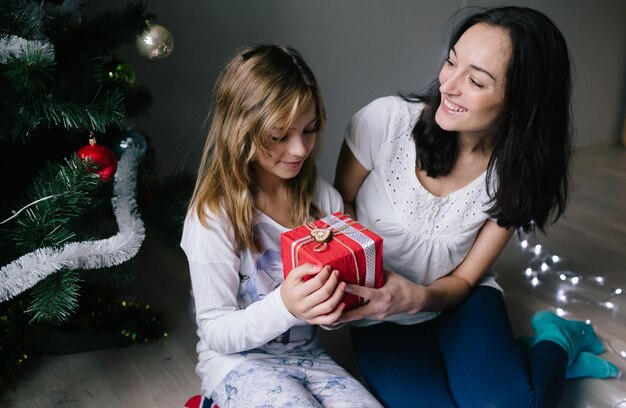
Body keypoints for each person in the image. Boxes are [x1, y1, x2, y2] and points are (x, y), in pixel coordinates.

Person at [333, 6, 618, 408]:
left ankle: (556, 338)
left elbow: (465, 280)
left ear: (521, 101)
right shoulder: (385, 121)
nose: (448, 86)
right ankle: (508, 362)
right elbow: (336, 208)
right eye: (450, 62)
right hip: (381, 312)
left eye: (476, 81)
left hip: (458, 299)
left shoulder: (517, 172)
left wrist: (418, 297)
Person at [181, 44, 382, 408]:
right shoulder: (213, 216)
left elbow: (331, 316)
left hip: (311, 360)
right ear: (242, 130)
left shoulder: (325, 202)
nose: (300, 149)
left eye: (309, 130)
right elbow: (215, 331)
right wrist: (286, 307)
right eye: (279, 135)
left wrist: (335, 308)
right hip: (236, 363)